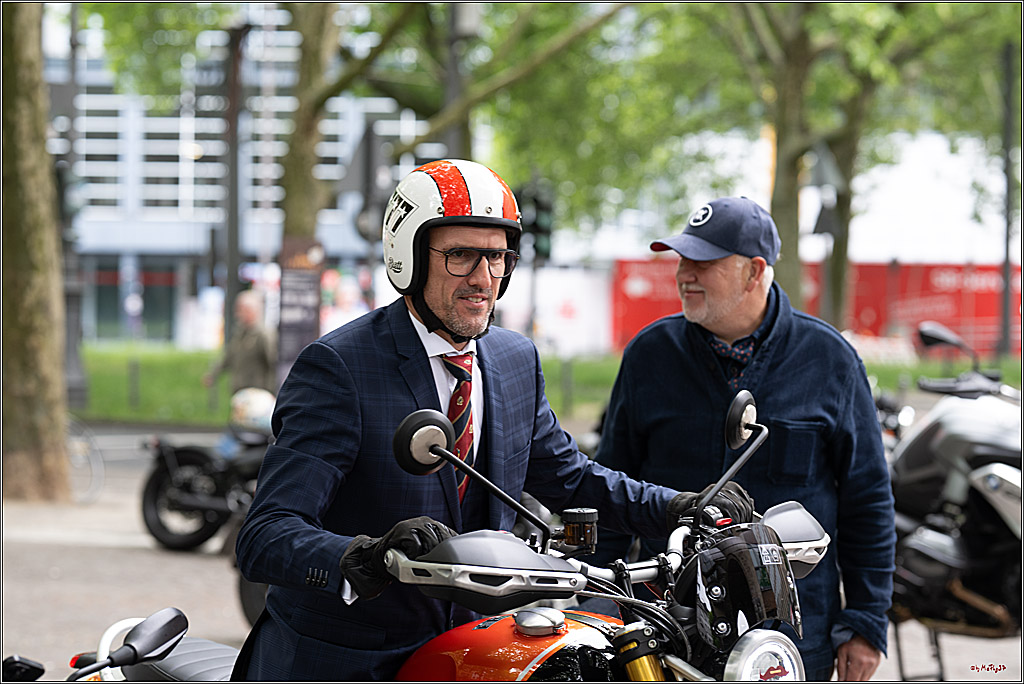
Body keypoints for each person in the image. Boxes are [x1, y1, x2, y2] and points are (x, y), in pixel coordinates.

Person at [230, 160, 750, 681]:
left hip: (471, 657)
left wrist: (678, 507)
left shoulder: (514, 359)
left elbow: (570, 478)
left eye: (498, 257)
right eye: (460, 255)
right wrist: (366, 556)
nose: (483, 279)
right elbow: (266, 534)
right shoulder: (340, 367)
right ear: (408, 256)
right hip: (345, 661)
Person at [586, 196, 895, 681]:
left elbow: (868, 501)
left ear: (754, 272)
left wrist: (865, 622)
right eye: (682, 260)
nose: (684, 274)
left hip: (791, 641)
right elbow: (611, 487)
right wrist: (596, 610)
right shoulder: (649, 355)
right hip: (666, 635)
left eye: (702, 263)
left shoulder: (831, 360)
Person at [203, 289, 276, 394]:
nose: (237, 314)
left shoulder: (264, 335)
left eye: (241, 309)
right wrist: (213, 374)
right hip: (239, 392)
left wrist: (272, 392)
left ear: (252, 310)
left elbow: (274, 364)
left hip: (258, 394)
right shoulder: (239, 334)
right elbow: (228, 357)